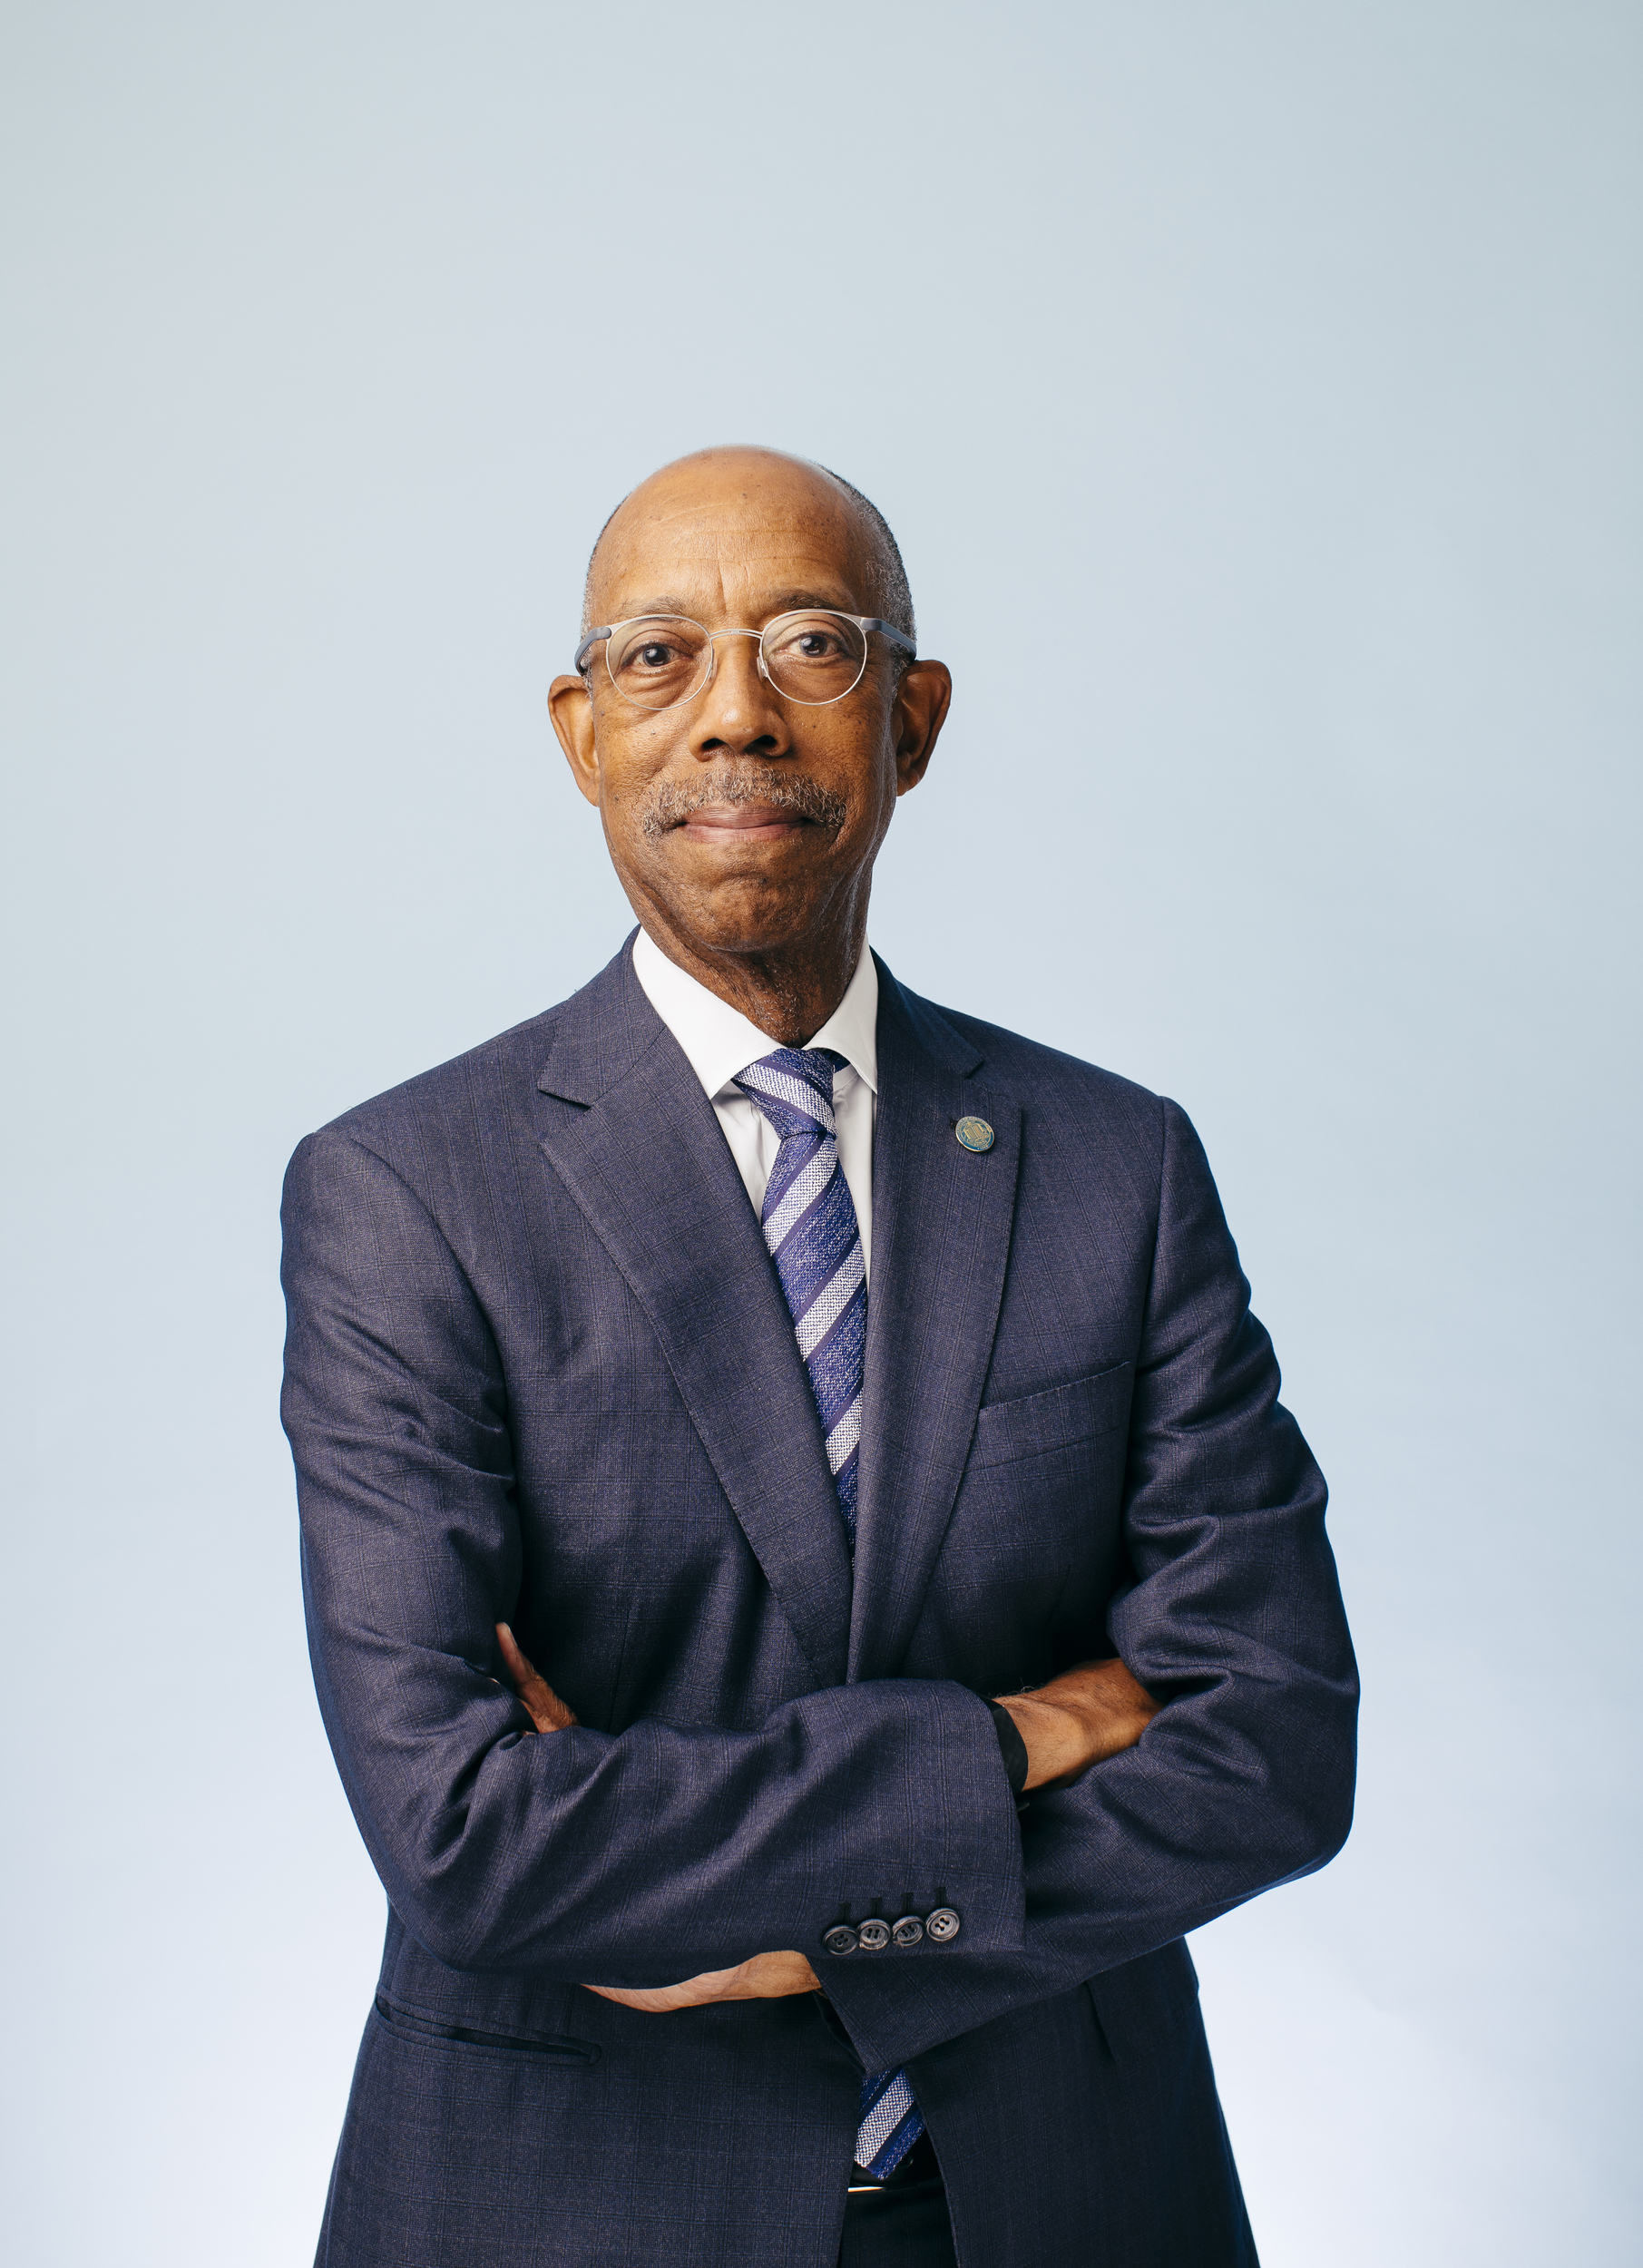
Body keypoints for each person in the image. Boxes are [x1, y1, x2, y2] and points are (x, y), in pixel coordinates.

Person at [280, 445, 1357, 2268]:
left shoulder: (1119, 1165)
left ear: (913, 717)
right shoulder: (406, 1190)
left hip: (1073, 2197)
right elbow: (468, 1830)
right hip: (567, 2203)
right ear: (581, 733)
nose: (734, 718)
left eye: (809, 643)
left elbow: (1276, 1737)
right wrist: (1028, 1732)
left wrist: (850, 1923)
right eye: (656, 657)